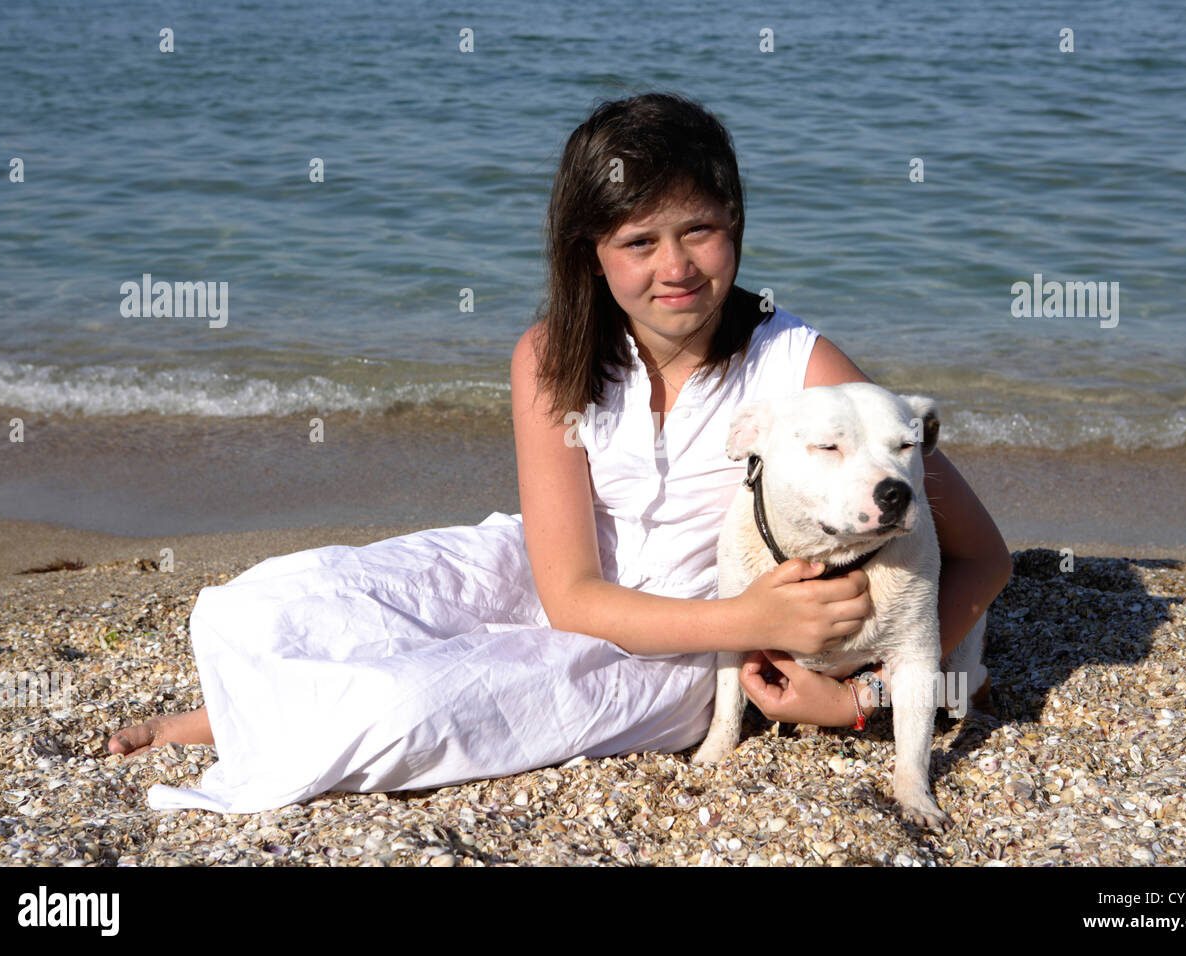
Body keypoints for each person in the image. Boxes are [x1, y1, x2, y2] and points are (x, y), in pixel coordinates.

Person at [107, 91, 1011, 814]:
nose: (677, 266)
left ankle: (233, 724)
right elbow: (569, 590)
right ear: (590, 254)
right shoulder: (550, 356)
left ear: (737, 221)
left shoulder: (801, 366)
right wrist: (763, 625)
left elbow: (980, 556)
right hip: (557, 569)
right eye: (638, 241)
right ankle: (235, 710)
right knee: (269, 600)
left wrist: (860, 702)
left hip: (677, 653)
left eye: (700, 228)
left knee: (407, 709)